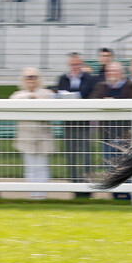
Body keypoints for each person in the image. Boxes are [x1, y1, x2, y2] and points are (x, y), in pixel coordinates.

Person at [90, 62, 132, 200]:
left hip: (125, 133)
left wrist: (113, 101)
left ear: (121, 72)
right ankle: (116, 193)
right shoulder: (101, 86)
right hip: (107, 133)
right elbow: (93, 99)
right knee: (110, 164)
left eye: (114, 71)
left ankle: (128, 193)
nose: (111, 73)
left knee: (126, 164)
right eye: (109, 71)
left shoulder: (130, 85)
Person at [55, 52, 96, 197]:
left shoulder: (89, 78)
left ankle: (86, 187)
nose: (76, 67)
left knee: (86, 155)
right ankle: (74, 185)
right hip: (69, 122)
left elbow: (90, 94)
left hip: (84, 121)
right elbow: (59, 94)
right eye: (73, 64)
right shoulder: (63, 78)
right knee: (71, 155)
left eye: (78, 64)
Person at [10, 68, 55, 200]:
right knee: (30, 168)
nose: (31, 80)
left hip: (43, 136)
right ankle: (33, 196)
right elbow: (13, 101)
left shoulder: (46, 93)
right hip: (26, 136)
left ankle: (42, 196)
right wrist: (31, 96)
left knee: (42, 167)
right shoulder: (18, 94)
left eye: (34, 77)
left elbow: (48, 103)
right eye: (28, 77)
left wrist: (33, 97)